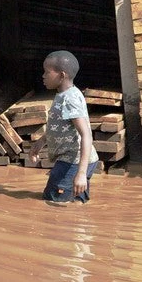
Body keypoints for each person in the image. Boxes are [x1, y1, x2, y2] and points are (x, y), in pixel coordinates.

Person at [27, 50, 99, 203]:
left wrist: (80, 172)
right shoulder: (65, 94)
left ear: (61, 75)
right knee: (76, 202)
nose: (43, 76)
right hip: (74, 161)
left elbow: (86, 134)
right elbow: (59, 125)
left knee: (52, 202)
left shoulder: (69, 99)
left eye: (47, 72)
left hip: (74, 162)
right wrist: (41, 142)